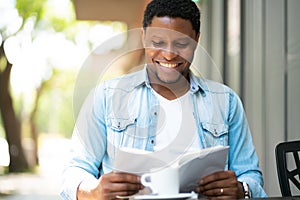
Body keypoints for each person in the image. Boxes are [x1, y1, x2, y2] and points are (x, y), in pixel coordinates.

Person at [61, 0, 268, 199]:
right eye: (158, 42)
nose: (169, 55)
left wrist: (243, 190)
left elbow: (250, 174)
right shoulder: (106, 97)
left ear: (196, 39)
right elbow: (75, 170)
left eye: (181, 43)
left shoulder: (226, 101)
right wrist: (93, 191)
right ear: (143, 37)